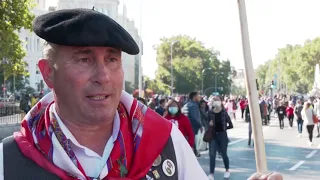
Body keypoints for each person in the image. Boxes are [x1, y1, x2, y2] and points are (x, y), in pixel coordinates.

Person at [0, 8, 207, 180]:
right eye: (84, 60)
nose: (103, 76)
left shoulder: (166, 142)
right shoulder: (9, 162)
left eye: (112, 60)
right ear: (48, 73)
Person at [207, 95, 233, 180]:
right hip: (213, 135)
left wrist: (224, 128)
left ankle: (227, 170)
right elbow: (207, 123)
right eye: (214, 100)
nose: (216, 101)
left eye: (217, 100)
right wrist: (210, 125)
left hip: (222, 135)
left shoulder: (224, 112)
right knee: (212, 155)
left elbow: (230, 124)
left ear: (220, 101)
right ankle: (211, 174)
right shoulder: (210, 112)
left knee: (223, 153)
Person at [182, 91, 203, 157]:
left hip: (185, 126)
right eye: (198, 96)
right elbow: (195, 117)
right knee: (192, 141)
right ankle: (194, 153)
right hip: (192, 126)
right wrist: (200, 125)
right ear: (194, 97)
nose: (199, 97)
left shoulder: (186, 105)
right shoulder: (193, 106)